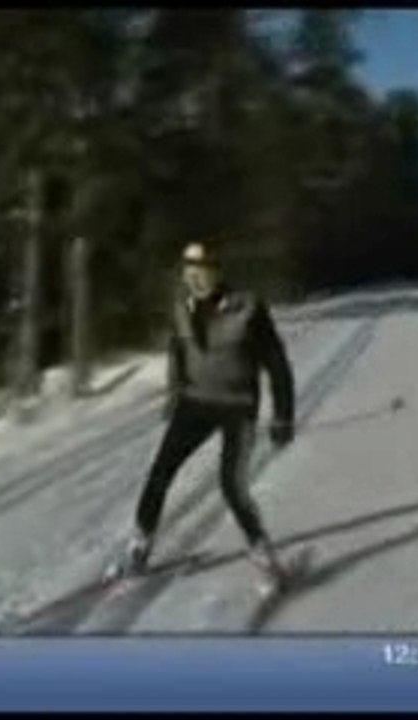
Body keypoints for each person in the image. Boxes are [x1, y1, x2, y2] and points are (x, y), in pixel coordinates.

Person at [113, 240, 295, 586]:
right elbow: (178, 352)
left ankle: (262, 552)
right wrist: (174, 394)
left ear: (217, 273)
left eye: (203, 272)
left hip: (238, 405)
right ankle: (140, 544)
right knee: (160, 471)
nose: (196, 280)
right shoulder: (182, 307)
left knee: (231, 485)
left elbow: (277, 364)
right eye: (190, 273)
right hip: (195, 401)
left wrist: (283, 415)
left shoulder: (247, 308)